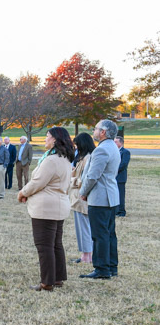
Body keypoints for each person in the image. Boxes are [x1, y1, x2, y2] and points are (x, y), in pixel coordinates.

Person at [17, 127, 74, 291]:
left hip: (46, 208)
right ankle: (57, 278)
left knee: (44, 246)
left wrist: (22, 192)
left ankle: (47, 282)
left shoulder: (51, 160)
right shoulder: (65, 159)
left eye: (47, 136)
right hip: (59, 205)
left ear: (55, 139)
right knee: (56, 244)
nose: (44, 139)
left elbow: (37, 182)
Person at [79, 119, 121, 280]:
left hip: (100, 198)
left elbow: (92, 176)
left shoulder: (101, 150)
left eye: (95, 128)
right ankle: (111, 266)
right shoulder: (112, 147)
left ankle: (102, 269)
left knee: (99, 234)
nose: (94, 131)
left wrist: (83, 192)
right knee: (109, 233)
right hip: (110, 197)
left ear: (103, 132)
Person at [69, 133, 96, 264]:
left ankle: (87, 256)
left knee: (84, 228)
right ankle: (85, 254)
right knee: (81, 228)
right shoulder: (82, 157)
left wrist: (72, 179)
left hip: (82, 198)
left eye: (77, 144)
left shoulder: (88, 158)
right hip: (76, 198)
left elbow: (85, 180)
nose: (76, 147)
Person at [114, 136, 131, 217]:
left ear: (121, 143)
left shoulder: (125, 152)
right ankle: (115, 210)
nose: (114, 143)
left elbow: (123, 164)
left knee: (120, 195)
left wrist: (113, 170)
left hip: (120, 177)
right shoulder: (113, 151)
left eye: (116, 142)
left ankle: (121, 212)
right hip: (113, 178)